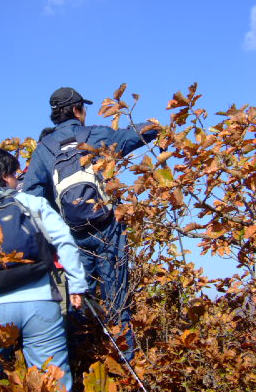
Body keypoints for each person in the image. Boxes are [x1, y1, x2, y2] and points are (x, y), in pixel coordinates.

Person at [22, 87, 159, 360]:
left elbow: (31, 197)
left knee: (78, 301)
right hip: (107, 229)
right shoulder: (95, 134)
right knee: (117, 300)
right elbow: (134, 135)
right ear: (77, 110)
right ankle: (125, 365)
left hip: (71, 236)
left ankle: (84, 363)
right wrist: (155, 126)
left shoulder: (43, 149)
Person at [0, 148, 88, 392]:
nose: (17, 180)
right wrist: (77, 285)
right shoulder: (30, 203)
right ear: (4, 176)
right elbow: (65, 241)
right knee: (54, 387)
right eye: (14, 175)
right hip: (41, 299)